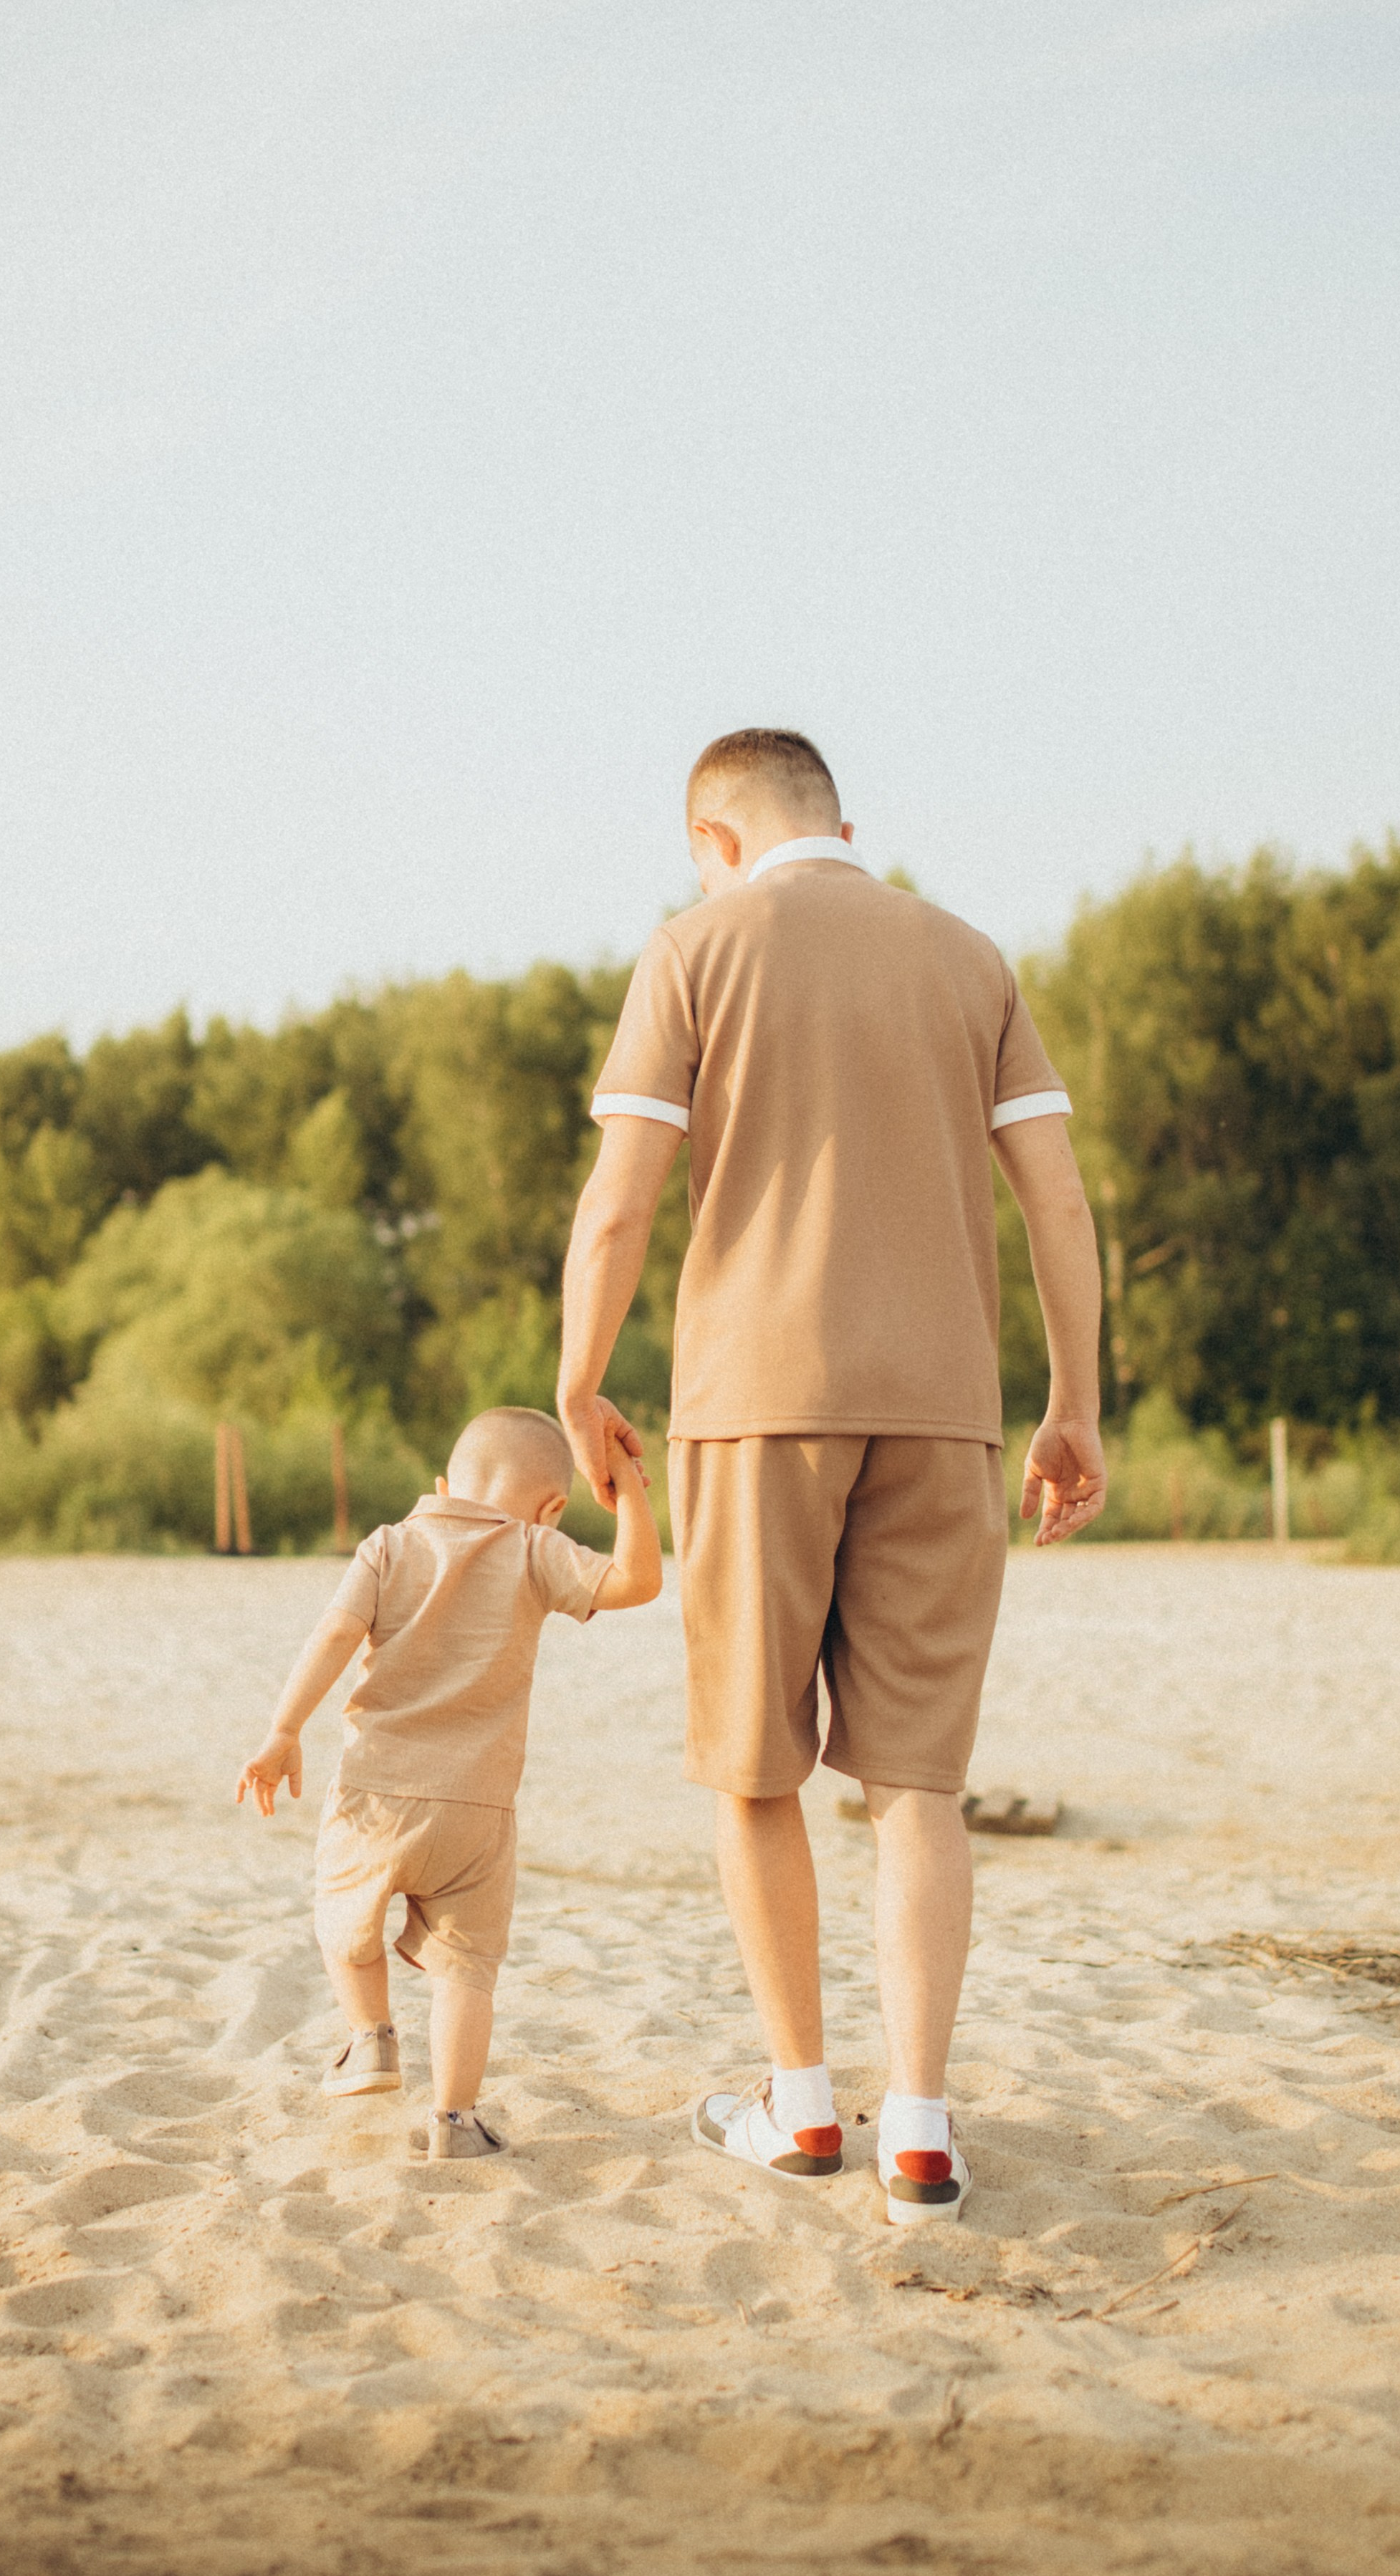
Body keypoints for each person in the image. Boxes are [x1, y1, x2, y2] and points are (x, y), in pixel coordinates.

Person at [558, 728, 1106, 2229]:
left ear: (711, 838)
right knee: (916, 1782)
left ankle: (803, 2105)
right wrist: (1072, 1398)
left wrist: (578, 1371)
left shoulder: (692, 949)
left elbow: (618, 1208)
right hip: (946, 1415)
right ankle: (920, 2130)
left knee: (753, 1765)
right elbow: (1056, 1195)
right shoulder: (968, 955)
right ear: (844, 826)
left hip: (753, 1407)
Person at [236, 1406, 662, 2159]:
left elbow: (335, 1633)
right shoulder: (536, 1547)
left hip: (376, 1790)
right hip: (477, 1808)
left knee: (344, 1914)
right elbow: (636, 1581)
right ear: (552, 1506)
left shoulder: (389, 1545)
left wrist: (282, 1729)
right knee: (467, 1967)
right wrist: (626, 1481)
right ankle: (455, 2120)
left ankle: (370, 2039)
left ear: (441, 1485)